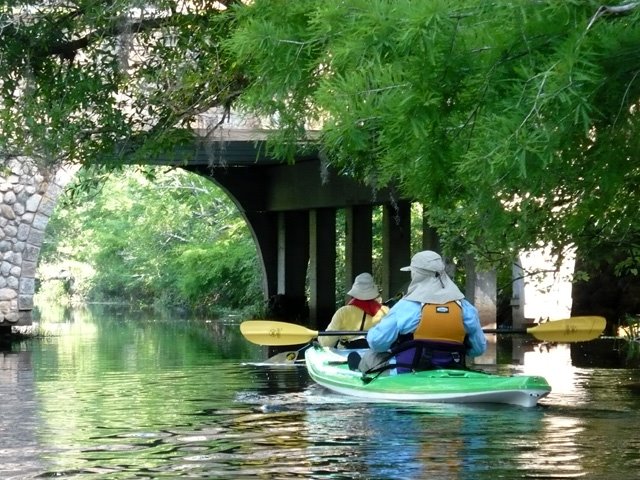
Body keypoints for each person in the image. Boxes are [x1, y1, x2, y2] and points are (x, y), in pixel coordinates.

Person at [353, 250, 487, 375]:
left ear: (416, 274)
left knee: (371, 355)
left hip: (408, 372)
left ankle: (358, 372)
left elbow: (378, 343)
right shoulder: (465, 307)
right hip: (452, 371)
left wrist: (372, 335)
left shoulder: (406, 307)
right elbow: (478, 350)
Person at [318, 272, 389, 349]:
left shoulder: (343, 312)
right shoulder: (385, 311)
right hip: (375, 355)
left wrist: (319, 338)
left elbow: (327, 342)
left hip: (347, 355)